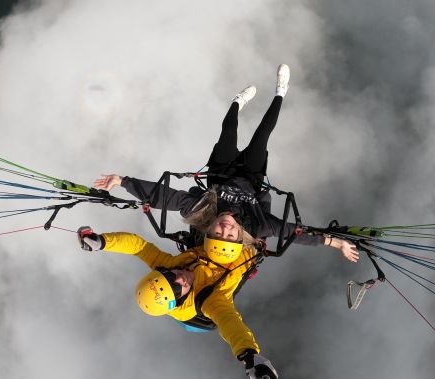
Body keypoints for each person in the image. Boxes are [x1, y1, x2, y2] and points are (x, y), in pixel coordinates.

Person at [94, 64, 360, 263]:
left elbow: (164, 197)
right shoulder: (258, 226)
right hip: (252, 179)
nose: (226, 228)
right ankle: (281, 91)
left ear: (209, 230)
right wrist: (336, 244)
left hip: (220, 175)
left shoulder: (201, 212)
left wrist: (122, 182)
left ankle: (237, 101)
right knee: (261, 138)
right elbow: (292, 234)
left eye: (218, 233)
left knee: (228, 129)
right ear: (239, 236)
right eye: (231, 236)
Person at [77, 226, 279, 378]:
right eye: (176, 288)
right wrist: (249, 356)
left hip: (212, 250)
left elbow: (138, 247)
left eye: (170, 276)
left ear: (162, 271)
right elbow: (229, 323)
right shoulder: (207, 300)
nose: (179, 278)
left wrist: (101, 241)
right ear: (179, 299)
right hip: (244, 250)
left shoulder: (170, 267)